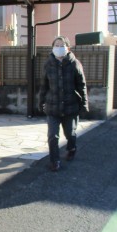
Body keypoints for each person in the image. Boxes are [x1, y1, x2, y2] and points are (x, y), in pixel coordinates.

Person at [38, 35, 89, 172]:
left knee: (70, 134)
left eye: (62, 45)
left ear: (68, 48)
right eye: (56, 45)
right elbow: (44, 86)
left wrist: (84, 103)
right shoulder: (48, 64)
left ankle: (71, 148)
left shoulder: (74, 64)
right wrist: (40, 101)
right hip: (52, 107)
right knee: (52, 136)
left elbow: (82, 85)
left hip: (70, 106)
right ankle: (55, 161)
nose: (59, 48)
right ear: (52, 48)